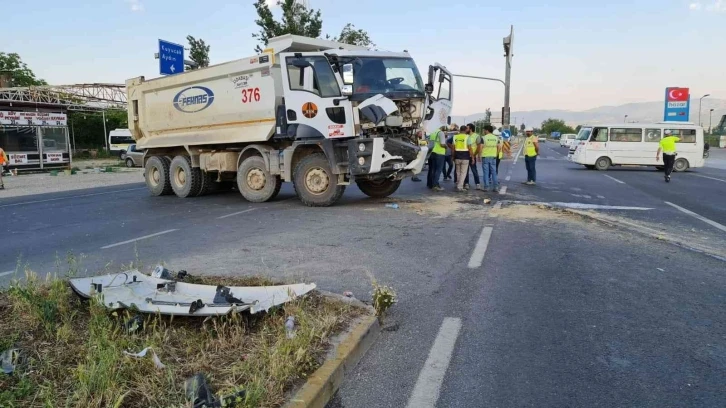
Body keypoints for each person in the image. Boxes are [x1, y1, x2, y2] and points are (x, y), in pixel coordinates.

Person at [450, 125, 475, 192]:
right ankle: (460, 186)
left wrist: (452, 156)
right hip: (465, 156)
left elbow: (453, 148)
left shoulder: (455, 137)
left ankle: (458, 184)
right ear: (466, 130)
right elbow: (470, 148)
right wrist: (472, 157)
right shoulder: (467, 137)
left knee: (458, 172)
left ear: (460, 130)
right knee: (463, 172)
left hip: (457, 156)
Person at [426, 126, 447, 191]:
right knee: (438, 170)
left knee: (432, 169)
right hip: (439, 153)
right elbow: (442, 144)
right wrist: (446, 147)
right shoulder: (441, 133)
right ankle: (435, 185)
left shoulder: (433, 133)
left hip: (432, 152)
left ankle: (430, 184)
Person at [480, 125, 500, 192]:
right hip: (493, 157)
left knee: (486, 172)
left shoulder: (483, 138)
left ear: (487, 130)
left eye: (484, 130)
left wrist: (479, 155)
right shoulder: (496, 138)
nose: (483, 131)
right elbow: (499, 147)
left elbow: (481, 147)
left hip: (485, 157)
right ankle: (496, 187)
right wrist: (496, 154)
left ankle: (486, 187)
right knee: (494, 172)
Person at [466, 123, 482, 190]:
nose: (466, 129)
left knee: (474, 170)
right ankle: (466, 183)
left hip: (472, 155)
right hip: (465, 155)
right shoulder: (465, 136)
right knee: (465, 171)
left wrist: (475, 155)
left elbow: (479, 146)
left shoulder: (476, 136)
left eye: (467, 128)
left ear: (471, 129)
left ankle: (477, 184)